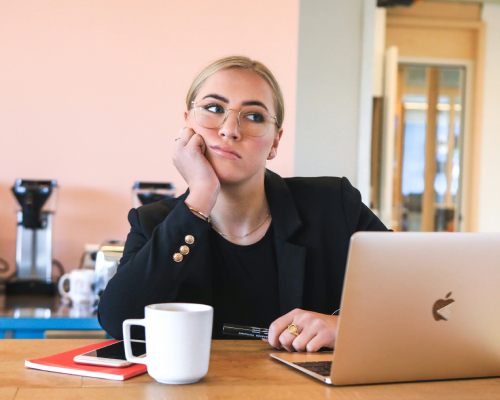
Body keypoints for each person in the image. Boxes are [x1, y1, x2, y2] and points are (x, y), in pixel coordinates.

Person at [98, 56, 389, 352]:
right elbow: (118, 321)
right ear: (186, 123)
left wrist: (346, 327)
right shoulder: (152, 222)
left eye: (254, 116)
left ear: (275, 141)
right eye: (214, 109)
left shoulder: (333, 205)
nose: (229, 129)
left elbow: (419, 298)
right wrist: (200, 195)